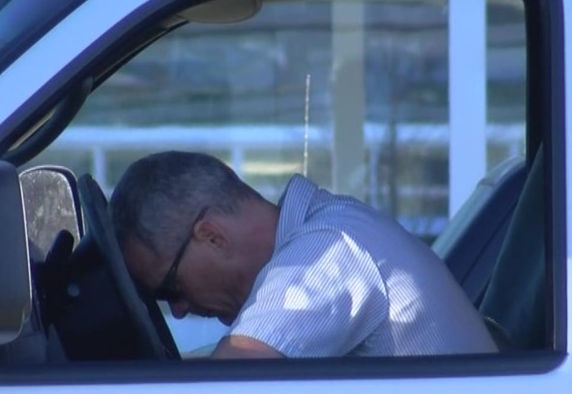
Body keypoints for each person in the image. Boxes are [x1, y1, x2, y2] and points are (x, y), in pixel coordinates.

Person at [109, 151, 498, 359]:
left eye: (170, 287)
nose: (177, 310)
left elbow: (225, 391)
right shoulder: (330, 230)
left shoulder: (326, 251)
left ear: (211, 237)